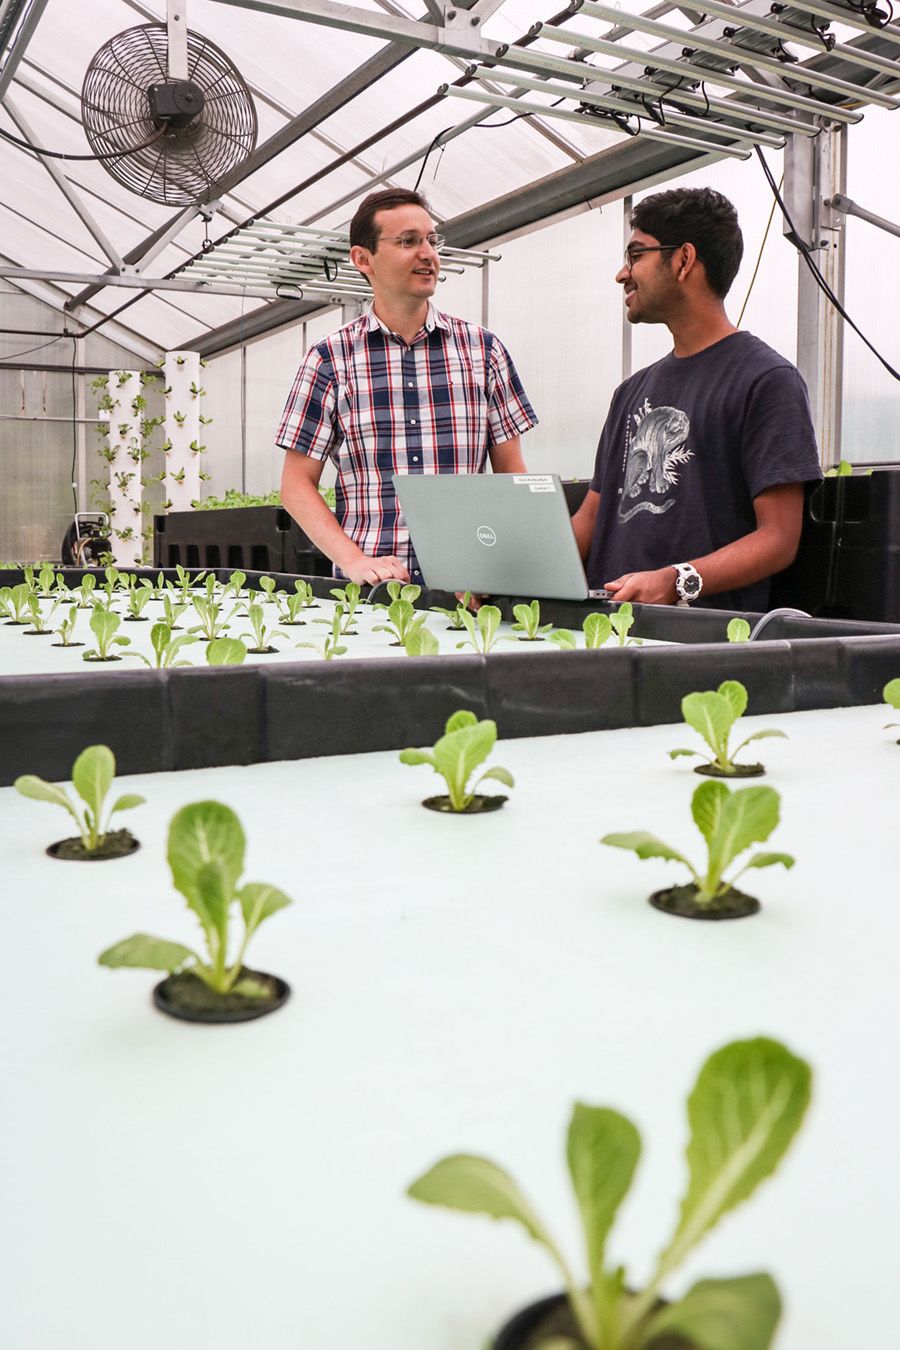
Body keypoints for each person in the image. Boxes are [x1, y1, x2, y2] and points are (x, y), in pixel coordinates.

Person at [571, 187, 822, 611]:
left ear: (684, 260)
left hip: (700, 649)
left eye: (636, 255)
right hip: (607, 637)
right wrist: (510, 569)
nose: (622, 273)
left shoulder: (766, 380)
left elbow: (778, 539)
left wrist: (678, 580)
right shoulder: (630, 393)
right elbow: (592, 518)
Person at [276, 188, 538, 586]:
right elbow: (295, 485)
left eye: (432, 240)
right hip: (370, 595)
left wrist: (502, 566)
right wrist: (355, 561)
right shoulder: (330, 359)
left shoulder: (483, 351)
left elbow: (510, 475)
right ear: (363, 259)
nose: (428, 253)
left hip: (467, 591)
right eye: (408, 241)